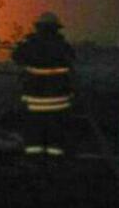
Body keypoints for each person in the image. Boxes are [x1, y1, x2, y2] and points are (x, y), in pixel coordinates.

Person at [11, 12, 75, 156]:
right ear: (56, 28)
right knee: (56, 134)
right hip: (59, 101)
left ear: (38, 27)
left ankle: (34, 161)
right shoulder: (63, 47)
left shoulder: (29, 46)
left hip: (34, 100)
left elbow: (16, 58)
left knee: (33, 132)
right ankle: (56, 162)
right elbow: (72, 64)